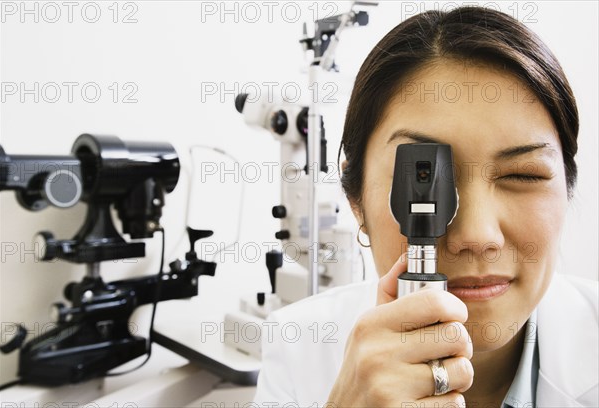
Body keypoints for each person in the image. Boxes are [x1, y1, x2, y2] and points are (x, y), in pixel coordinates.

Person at [253, 6, 598, 407]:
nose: (477, 235)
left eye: (522, 175)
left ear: (567, 187)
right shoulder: (298, 349)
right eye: (423, 176)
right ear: (356, 199)